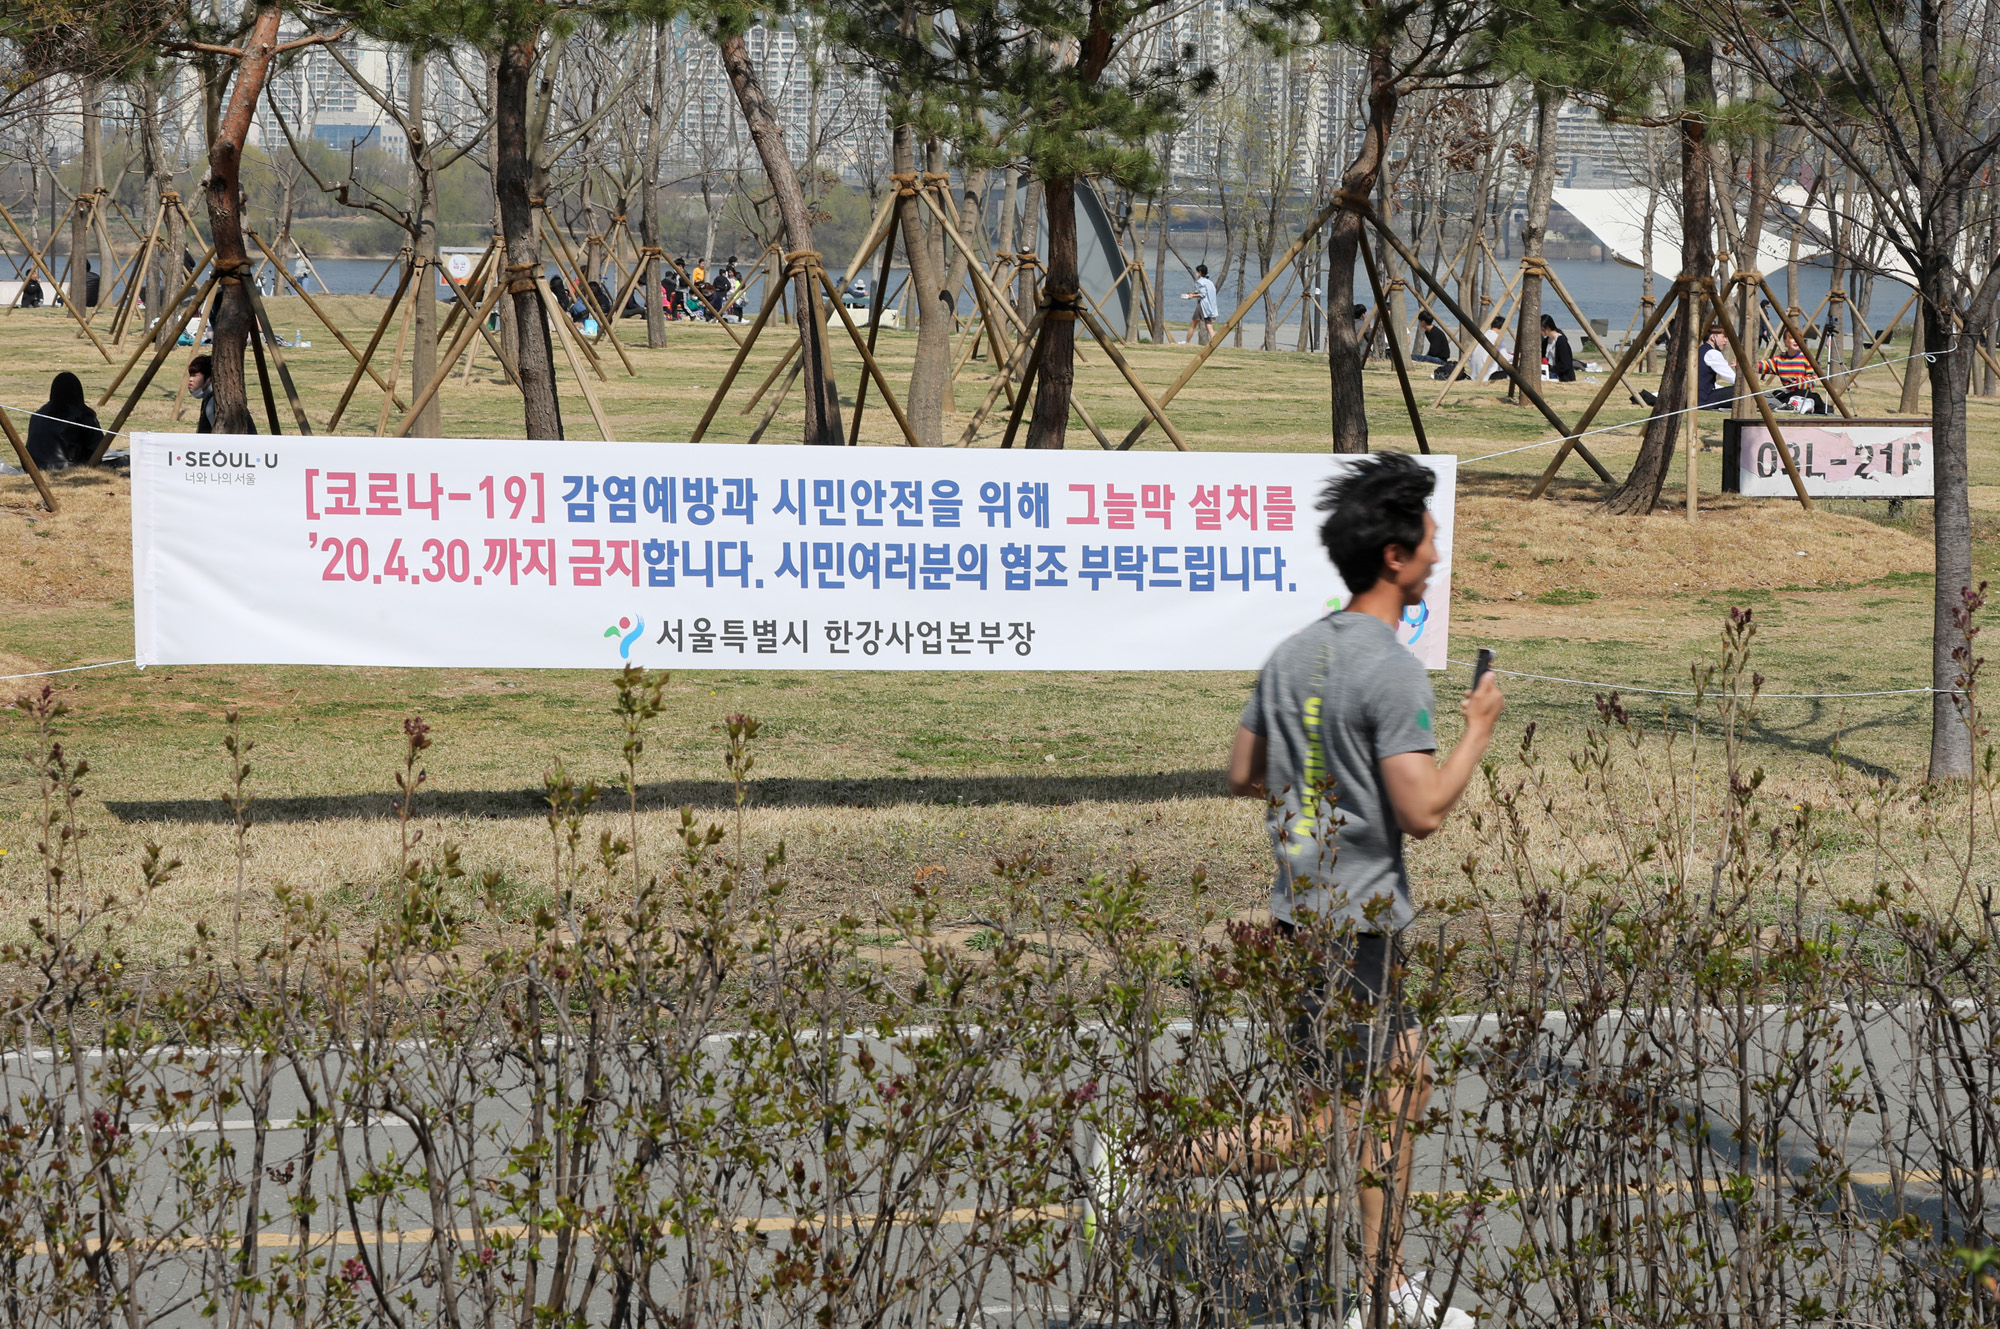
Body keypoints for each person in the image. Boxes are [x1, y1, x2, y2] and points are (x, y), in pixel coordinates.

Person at [1086, 453, 1498, 1329]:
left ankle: (1385, 1292)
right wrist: (1476, 732)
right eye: (1428, 538)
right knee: (1337, 1123)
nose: (1437, 553)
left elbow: (1242, 770)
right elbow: (1422, 810)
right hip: (1352, 928)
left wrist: (1316, 769)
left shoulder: (1295, 651)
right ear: (1393, 554)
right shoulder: (1391, 670)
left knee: (1402, 1089)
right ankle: (1147, 1161)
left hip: (1304, 913)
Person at [24, 371, 104, 471]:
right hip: (69, 469)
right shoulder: (83, 415)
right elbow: (98, 450)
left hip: (34, 468)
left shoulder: (38, 414)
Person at [1757, 331, 1826, 414]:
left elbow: (1812, 381)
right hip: (1788, 394)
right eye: (1792, 338)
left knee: (1813, 397)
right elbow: (1762, 365)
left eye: (1798, 338)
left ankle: (1797, 406)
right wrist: (1742, 363)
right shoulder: (1779, 359)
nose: (1796, 341)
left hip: (1803, 393)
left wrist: (1797, 382)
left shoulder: (1806, 359)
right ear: (1785, 342)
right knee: (1772, 395)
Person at [185, 355, 228, 434]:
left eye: (194, 375)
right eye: (190, 375)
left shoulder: (214, 402)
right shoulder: (209, 398)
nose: (190, 379)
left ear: (210, 378)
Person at [1698, 324, 1736, 409]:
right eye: (1723, 337)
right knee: (1740, 390)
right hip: (1703, 400)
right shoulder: (1712, 353)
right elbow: (1732, 378)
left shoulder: (1701, 350)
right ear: (1713, 337)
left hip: (1697, 396)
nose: (1726, 341)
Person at [1463, 315, 1511, 382]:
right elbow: (1505, 358)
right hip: (1488, 376)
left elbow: (1469, 358)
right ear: (1504, 328)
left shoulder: (1480, 336)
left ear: (1490, 325)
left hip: (1474, 375)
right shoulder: (1498, 338)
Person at [1183, 264, 1218, 344]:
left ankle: (1187, 342)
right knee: (1209, 324)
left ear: (1200, 272)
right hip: (1209, 306)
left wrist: (1192, 296)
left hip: (1202, 305)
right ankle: (1215, 341)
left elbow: (1202, 294)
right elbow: (1205, 292)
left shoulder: (1200, 282)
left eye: (1197, 272)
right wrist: (1193, 292)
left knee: (1193, 324)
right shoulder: (1210, 282)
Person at [1540, 313, 1576, 382]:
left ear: (1547, 328)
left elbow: (1565, 364)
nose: (1540, 332)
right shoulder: (1546, 341)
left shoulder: (1561, 341)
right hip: (1550, 373)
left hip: (1562, 376)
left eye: (1541, 329)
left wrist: (1551, 370)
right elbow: (1542, 355)